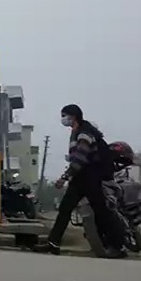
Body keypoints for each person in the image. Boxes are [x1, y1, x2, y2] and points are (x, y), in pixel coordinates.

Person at [35, 104, 126, 257]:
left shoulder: (84, 132)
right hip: (81, 177)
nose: (63, 119)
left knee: (100, 211)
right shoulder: (77, 132)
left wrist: (65, 177)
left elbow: (81, 158)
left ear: (73, 116)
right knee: (65, 209)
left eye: (65, 115)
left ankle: (117, 246)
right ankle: (53, 243)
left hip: (90, 176)